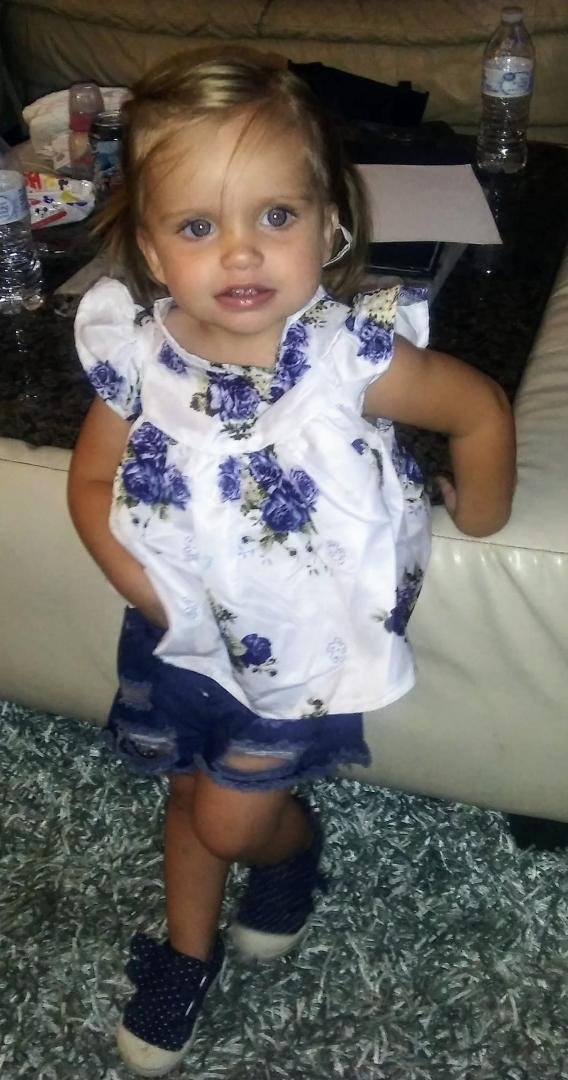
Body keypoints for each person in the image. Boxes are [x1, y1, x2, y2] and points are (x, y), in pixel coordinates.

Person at [67, 48, 516, 1076]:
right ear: (151, 247)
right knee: (189, 791)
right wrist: (138, 582)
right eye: (197, 227)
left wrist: (481, 516)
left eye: (276, 216)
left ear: (329, 223)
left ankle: (290, 851)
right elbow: (91, 481)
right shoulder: (138, 356)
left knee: (231, 822)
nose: (240, 253)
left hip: (300, 652)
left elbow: (478, 409)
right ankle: (186, 953)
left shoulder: (348, 356)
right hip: (176, 631)